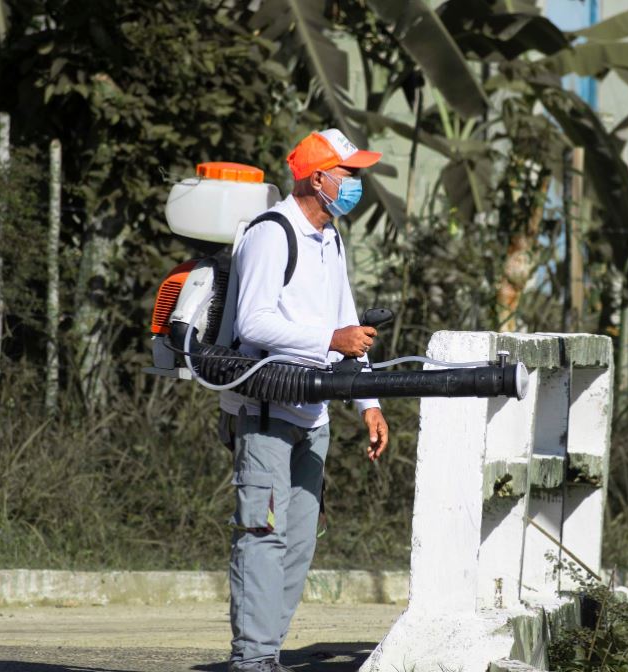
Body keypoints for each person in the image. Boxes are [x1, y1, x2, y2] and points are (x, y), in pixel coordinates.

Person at [219, 128, 390, 671]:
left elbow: (348, 320)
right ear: (318, 177)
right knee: (262, 536)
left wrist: (369, 404)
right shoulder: (273, 233)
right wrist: (329, 342)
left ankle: (265, 652)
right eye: (350, 173)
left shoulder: (331, 238)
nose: (357, 184)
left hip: (314, 411)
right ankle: (253, 659)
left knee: (298, 544)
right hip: (265, 409)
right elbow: (254, 320)